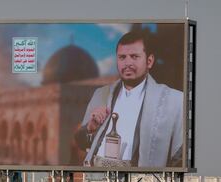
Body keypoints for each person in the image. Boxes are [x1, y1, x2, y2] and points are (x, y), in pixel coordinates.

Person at [77, 31, 183, 168]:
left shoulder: (173, 100)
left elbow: (179, 157)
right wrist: (90, 128)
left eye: (134, 57)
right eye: (122, 57)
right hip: (97, 179)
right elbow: (81, 143)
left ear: (149, 61)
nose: (127, 63)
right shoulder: (101, 94)